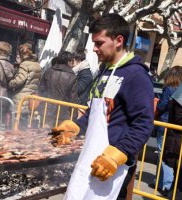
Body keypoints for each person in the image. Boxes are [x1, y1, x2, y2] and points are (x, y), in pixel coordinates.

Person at [54, 14, 154, 199]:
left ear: (118, 41)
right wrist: (77, 126)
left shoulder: (136, 75)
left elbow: (144, 123)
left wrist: (119, 153)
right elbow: (98, 111)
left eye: (99, 43)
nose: (94, 48)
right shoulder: (103, 70)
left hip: (113, 165)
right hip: (91, 157)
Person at [152, 66, 182, 194]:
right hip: (173, 128)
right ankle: (168, 184)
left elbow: (163, 105)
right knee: (173, 156)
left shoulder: (169, 88)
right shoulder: (180, 89)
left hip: (165, 124)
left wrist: (158, 104)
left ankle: (165, 184)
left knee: (163, 154)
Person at [39, 51, 78, 128]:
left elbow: (41, 90)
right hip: (62, 112)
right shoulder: (72, 76)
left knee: (44, 135)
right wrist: (73, 116)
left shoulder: (48, 71)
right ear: (68, 61)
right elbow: (73, 98)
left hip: (47, 109)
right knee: (58, 137)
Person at [8, 43, 42, 129]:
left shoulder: (25, 64)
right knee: (24, 123)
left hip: (21, 97)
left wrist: (10, 83)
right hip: (30, 97)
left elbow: (20, 80)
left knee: (16, 122)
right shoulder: (37, 65)